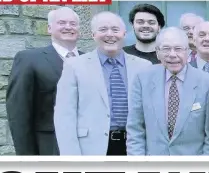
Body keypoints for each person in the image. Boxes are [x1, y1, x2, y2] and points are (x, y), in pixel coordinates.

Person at [54, 12, 152, 155]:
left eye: (115, 29)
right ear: (93, 34)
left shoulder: (144, 66)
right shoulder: (74, 66)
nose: (109, 34)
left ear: (124, 33)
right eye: (103, 29)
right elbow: (64, 116)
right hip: (92, 149)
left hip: (135, 147)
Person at [6, 7, 84, 155]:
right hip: (48, 147)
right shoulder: (29, 59)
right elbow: (18, 113)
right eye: (62, 23)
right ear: (49, 28)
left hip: (86, 148)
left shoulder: (90, 60)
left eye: (73, 24)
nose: (68, 27)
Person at [126, 27, 209, 155]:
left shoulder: (208, 83)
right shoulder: (142, 79)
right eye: (166, 49)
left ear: (188, 53)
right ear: (157, 52)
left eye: (178, 49)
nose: (173, 54)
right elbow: (135, 129)